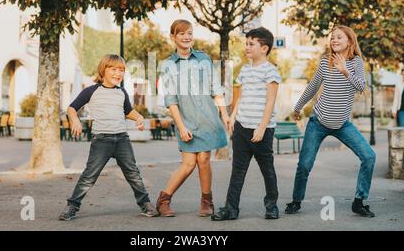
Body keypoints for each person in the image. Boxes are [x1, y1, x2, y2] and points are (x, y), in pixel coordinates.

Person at [285, 25, 376, 218]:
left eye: (339, 37)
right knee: (304, 165)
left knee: (368, 156)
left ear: (350, 41)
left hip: (342, 124)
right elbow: (313, 86)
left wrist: (345, 70)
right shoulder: (325, 61)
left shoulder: (357, 62)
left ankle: (359, 201)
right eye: (332, 37)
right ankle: (296, 201)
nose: (334, 40)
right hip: (318, 123)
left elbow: (361, 86)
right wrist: (297, 107)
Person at [58, 54, 158, 220]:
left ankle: (145, 204)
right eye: (113, 69)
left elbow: (128, 111)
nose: (118, 73)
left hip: (122, 140)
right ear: (103, 70)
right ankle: (72, 206)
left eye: (121, 70)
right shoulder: (91, 90)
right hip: (101, 140)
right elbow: (71, 108)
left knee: (133, 173)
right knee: (89, 176)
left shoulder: (121, 92)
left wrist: (139, 118)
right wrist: (74, 120)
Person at [156, 19, 229, 217]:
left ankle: (207, 201)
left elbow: (216, 89)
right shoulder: (168, 65)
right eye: (182, 33)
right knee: (188, 164)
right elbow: (171, 101)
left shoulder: (204, 59)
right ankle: (163, 200)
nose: (187, 37)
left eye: (189, 33)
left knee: (204, 159)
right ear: (173, 37)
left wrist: (225, 114)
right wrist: (181, 127)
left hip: (207, 120)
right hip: (185, 121)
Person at [211, 27, 282, 221]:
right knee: (238, 170)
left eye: (251, 44)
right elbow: (240, 97)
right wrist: (233, 116)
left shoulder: (271, 71)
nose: (247, 47)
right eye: (247, 43)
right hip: (242, 128)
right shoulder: (245, 70)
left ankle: (272, 205)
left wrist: (261, 127)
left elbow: (270, 102)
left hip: (262, 131)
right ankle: (231, 208)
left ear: (264, 48)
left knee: (267, 169)